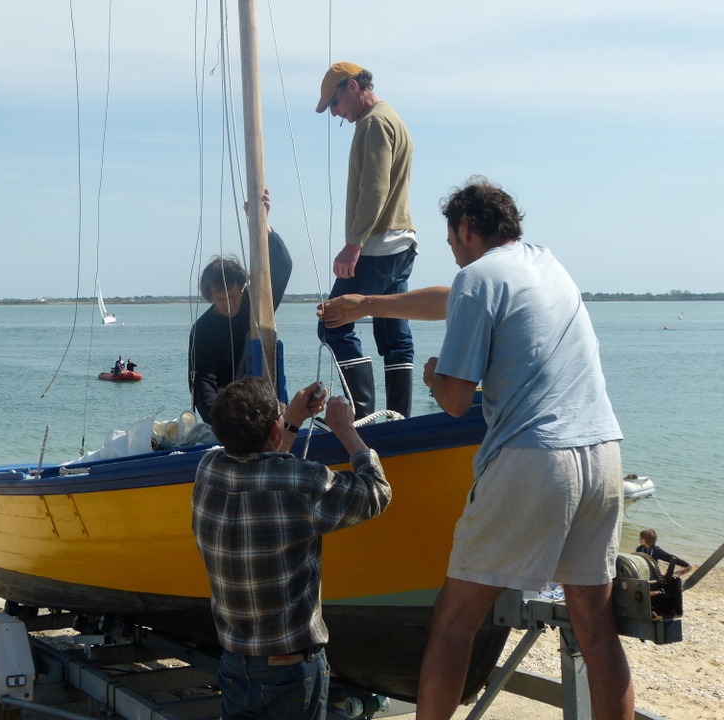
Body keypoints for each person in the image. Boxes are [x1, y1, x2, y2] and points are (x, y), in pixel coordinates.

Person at [319, 177, 634, 720]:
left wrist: (435, 374)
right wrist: (369, 304)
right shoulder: (545, 264)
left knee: (454, 620)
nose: (454, 256)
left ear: (466, 228)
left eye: (451, 243)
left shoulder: (477, 279)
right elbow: (457, 298)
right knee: (596, 628)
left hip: (535, 458)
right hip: (602, 452)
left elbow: (457, 402)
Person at [191, 376, 391, 720]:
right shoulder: (301, 482)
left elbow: (262, 468)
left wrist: (292, 420)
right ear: (272, 429)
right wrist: (346, 431)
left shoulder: (208, 470)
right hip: (290, 668)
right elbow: (376, 493)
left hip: (235, 662)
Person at [315, 62, 418, 419]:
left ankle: (363, 414)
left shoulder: (372, 123)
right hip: (401, 243)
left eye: (334, 101)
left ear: (353, 86)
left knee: (332, 322)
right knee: (393, 333)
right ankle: (397, 418)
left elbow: (375, 188)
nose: (334, 112)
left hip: (376, 245)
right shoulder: (392, 117)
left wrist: (354, 243)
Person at [188, 190, 292, 424]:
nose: (228, 304)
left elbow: (283, 265)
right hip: (231, 414)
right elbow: (203, 383)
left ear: (242, 288)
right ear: (210, 297)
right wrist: (222, 422)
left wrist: (263, 225)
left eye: (232, 296)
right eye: (220, 299)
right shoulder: (202, 330)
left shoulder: (257, 305)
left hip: (269, 405)